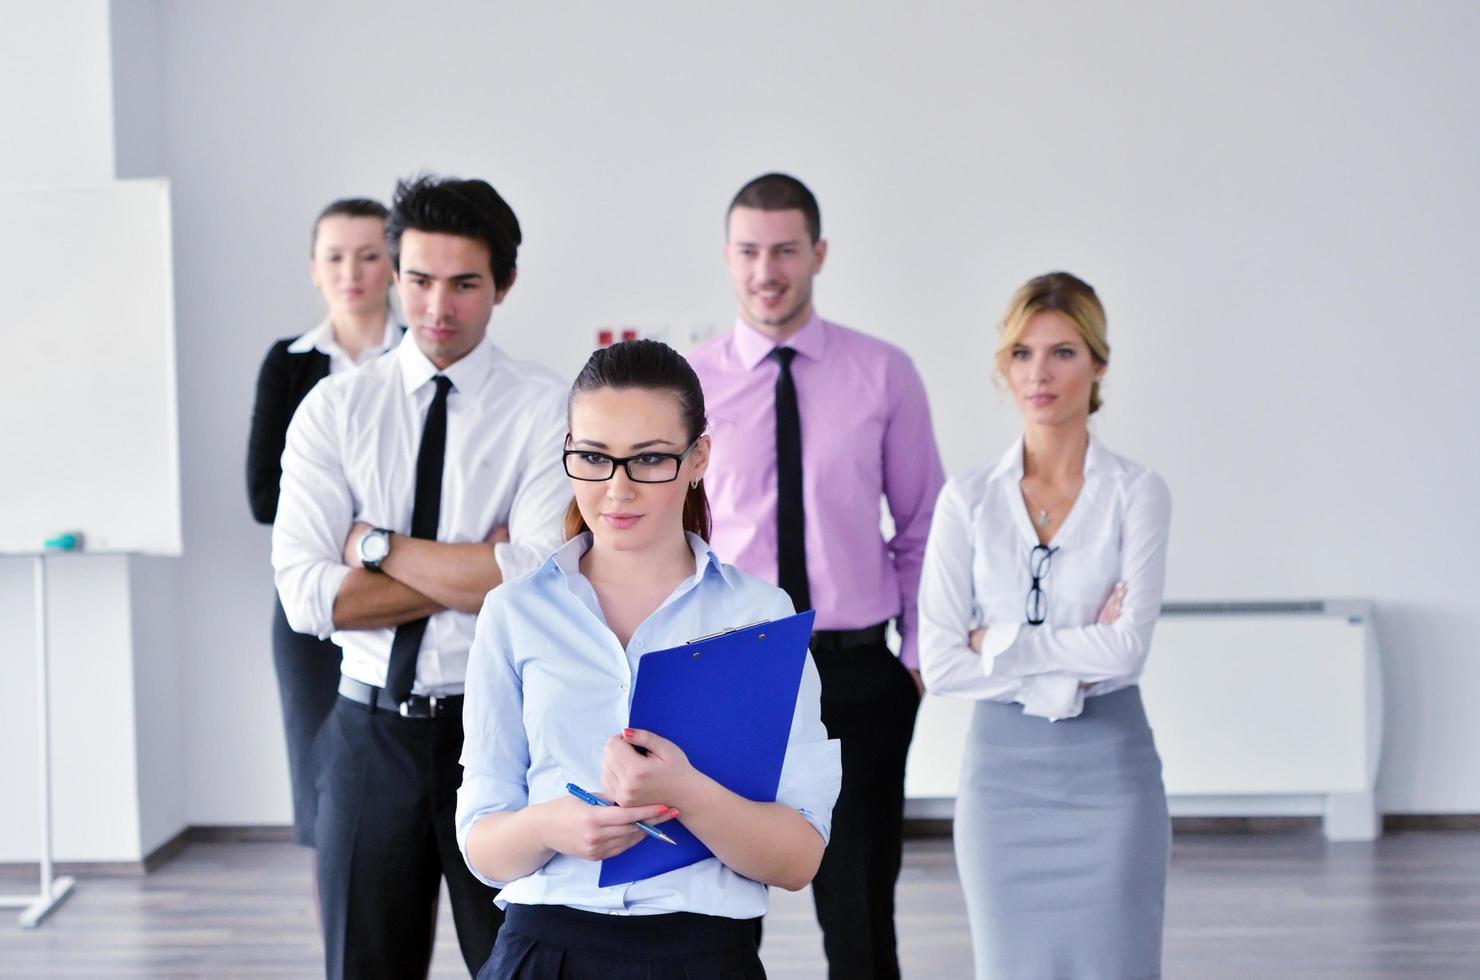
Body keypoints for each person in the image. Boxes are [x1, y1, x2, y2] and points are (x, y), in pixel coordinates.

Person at [456, 339, 841, 979]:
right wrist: (552, 826)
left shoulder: (761, 616)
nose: (617, 489)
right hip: (545, 947)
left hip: (702, 955)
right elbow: (483, 845)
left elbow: (797, 859)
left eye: (650, 460)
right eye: (593, 459)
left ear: (699, 460)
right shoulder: (514, 612)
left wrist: (683, 792)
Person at [272, 174, 570, 979]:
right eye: (418, 279)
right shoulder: (333, 411)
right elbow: (306, 597)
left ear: (503, 284)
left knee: (519, 968)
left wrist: (373, 546)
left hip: (503, 737)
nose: (437, 306)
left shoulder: (545, 409)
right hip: (368, 735)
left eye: (465, 283)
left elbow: (540, 583)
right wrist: (482, 566)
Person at [686, 172, 944, 979]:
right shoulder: (687, 381)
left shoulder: (884, 372)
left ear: (818, 254)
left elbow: (923, 521)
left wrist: (913, 659)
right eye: (751, 251)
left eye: (787, 250)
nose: (768, 271)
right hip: (728, 666)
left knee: (861, 909)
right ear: (727, 258)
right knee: (714, 910)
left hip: (856, 672)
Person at [918, 271, 1173, 979]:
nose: (1040, 373)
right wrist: (1072, 647)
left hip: (1112, 776)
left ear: (1098, 364)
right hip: (1001, 783)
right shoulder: (967, 499)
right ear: (1005, 367)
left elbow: (1126, 652)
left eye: (1062, 352)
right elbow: (939, 662)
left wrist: (996, 642)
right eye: (1022, 353)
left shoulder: (1137, 493)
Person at [246, 196, 403, 850]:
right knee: (326, 812)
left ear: (395, 265)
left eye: (369, 254)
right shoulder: (290, 362)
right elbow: (263, 497)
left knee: (404, 810)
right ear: (314, 268)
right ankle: (341, 953)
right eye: (336, 257)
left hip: (408, 603)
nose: (352, 271)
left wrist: (346, 529)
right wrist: (380, 538)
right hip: (313, 605)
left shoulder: (421, 360)